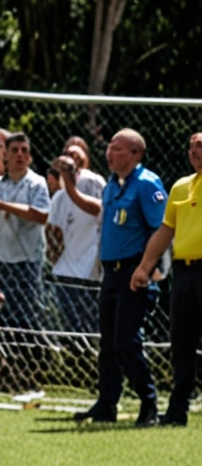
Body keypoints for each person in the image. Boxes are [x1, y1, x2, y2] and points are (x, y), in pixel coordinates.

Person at [67, 129, 166, 426]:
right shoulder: (111, 185)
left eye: (118, 149)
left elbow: (160, 230)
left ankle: (149, 403)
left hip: (135, 271)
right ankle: (107, 403)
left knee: (126, 339)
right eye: (110, 147)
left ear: (135, 155)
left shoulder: (147, 185)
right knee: (108, 342)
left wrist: (147, 269)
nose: (110, 153)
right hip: (111, 272)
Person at [133, 131, 202, 426]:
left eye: (201, 146)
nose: (195, 151)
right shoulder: (180, 187)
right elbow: (165, 231)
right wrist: (144, 266)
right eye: (192, 147)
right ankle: (177, 411)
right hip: (183, 274)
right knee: (181, 341)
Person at [0, 132, 50, 331]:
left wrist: (3, 206)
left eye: (24, 150)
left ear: (30, 157)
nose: (20, 155)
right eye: (14, 150)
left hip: (27, 260)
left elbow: (41, 215)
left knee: (29, 316)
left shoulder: (36, 183)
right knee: (3, 315)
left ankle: (33, 357)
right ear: (5, 156)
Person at [49, 153, 106, 334]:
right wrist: (54, 258)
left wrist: (72, 188)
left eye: (77, 154)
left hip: (91, 271)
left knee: (91, 325)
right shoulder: (59, 197)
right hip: (65, 270)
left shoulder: (94, 182)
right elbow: (52, 230)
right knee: (69, 327)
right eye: (68, 154)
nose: (71, 159)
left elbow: (98, 209)